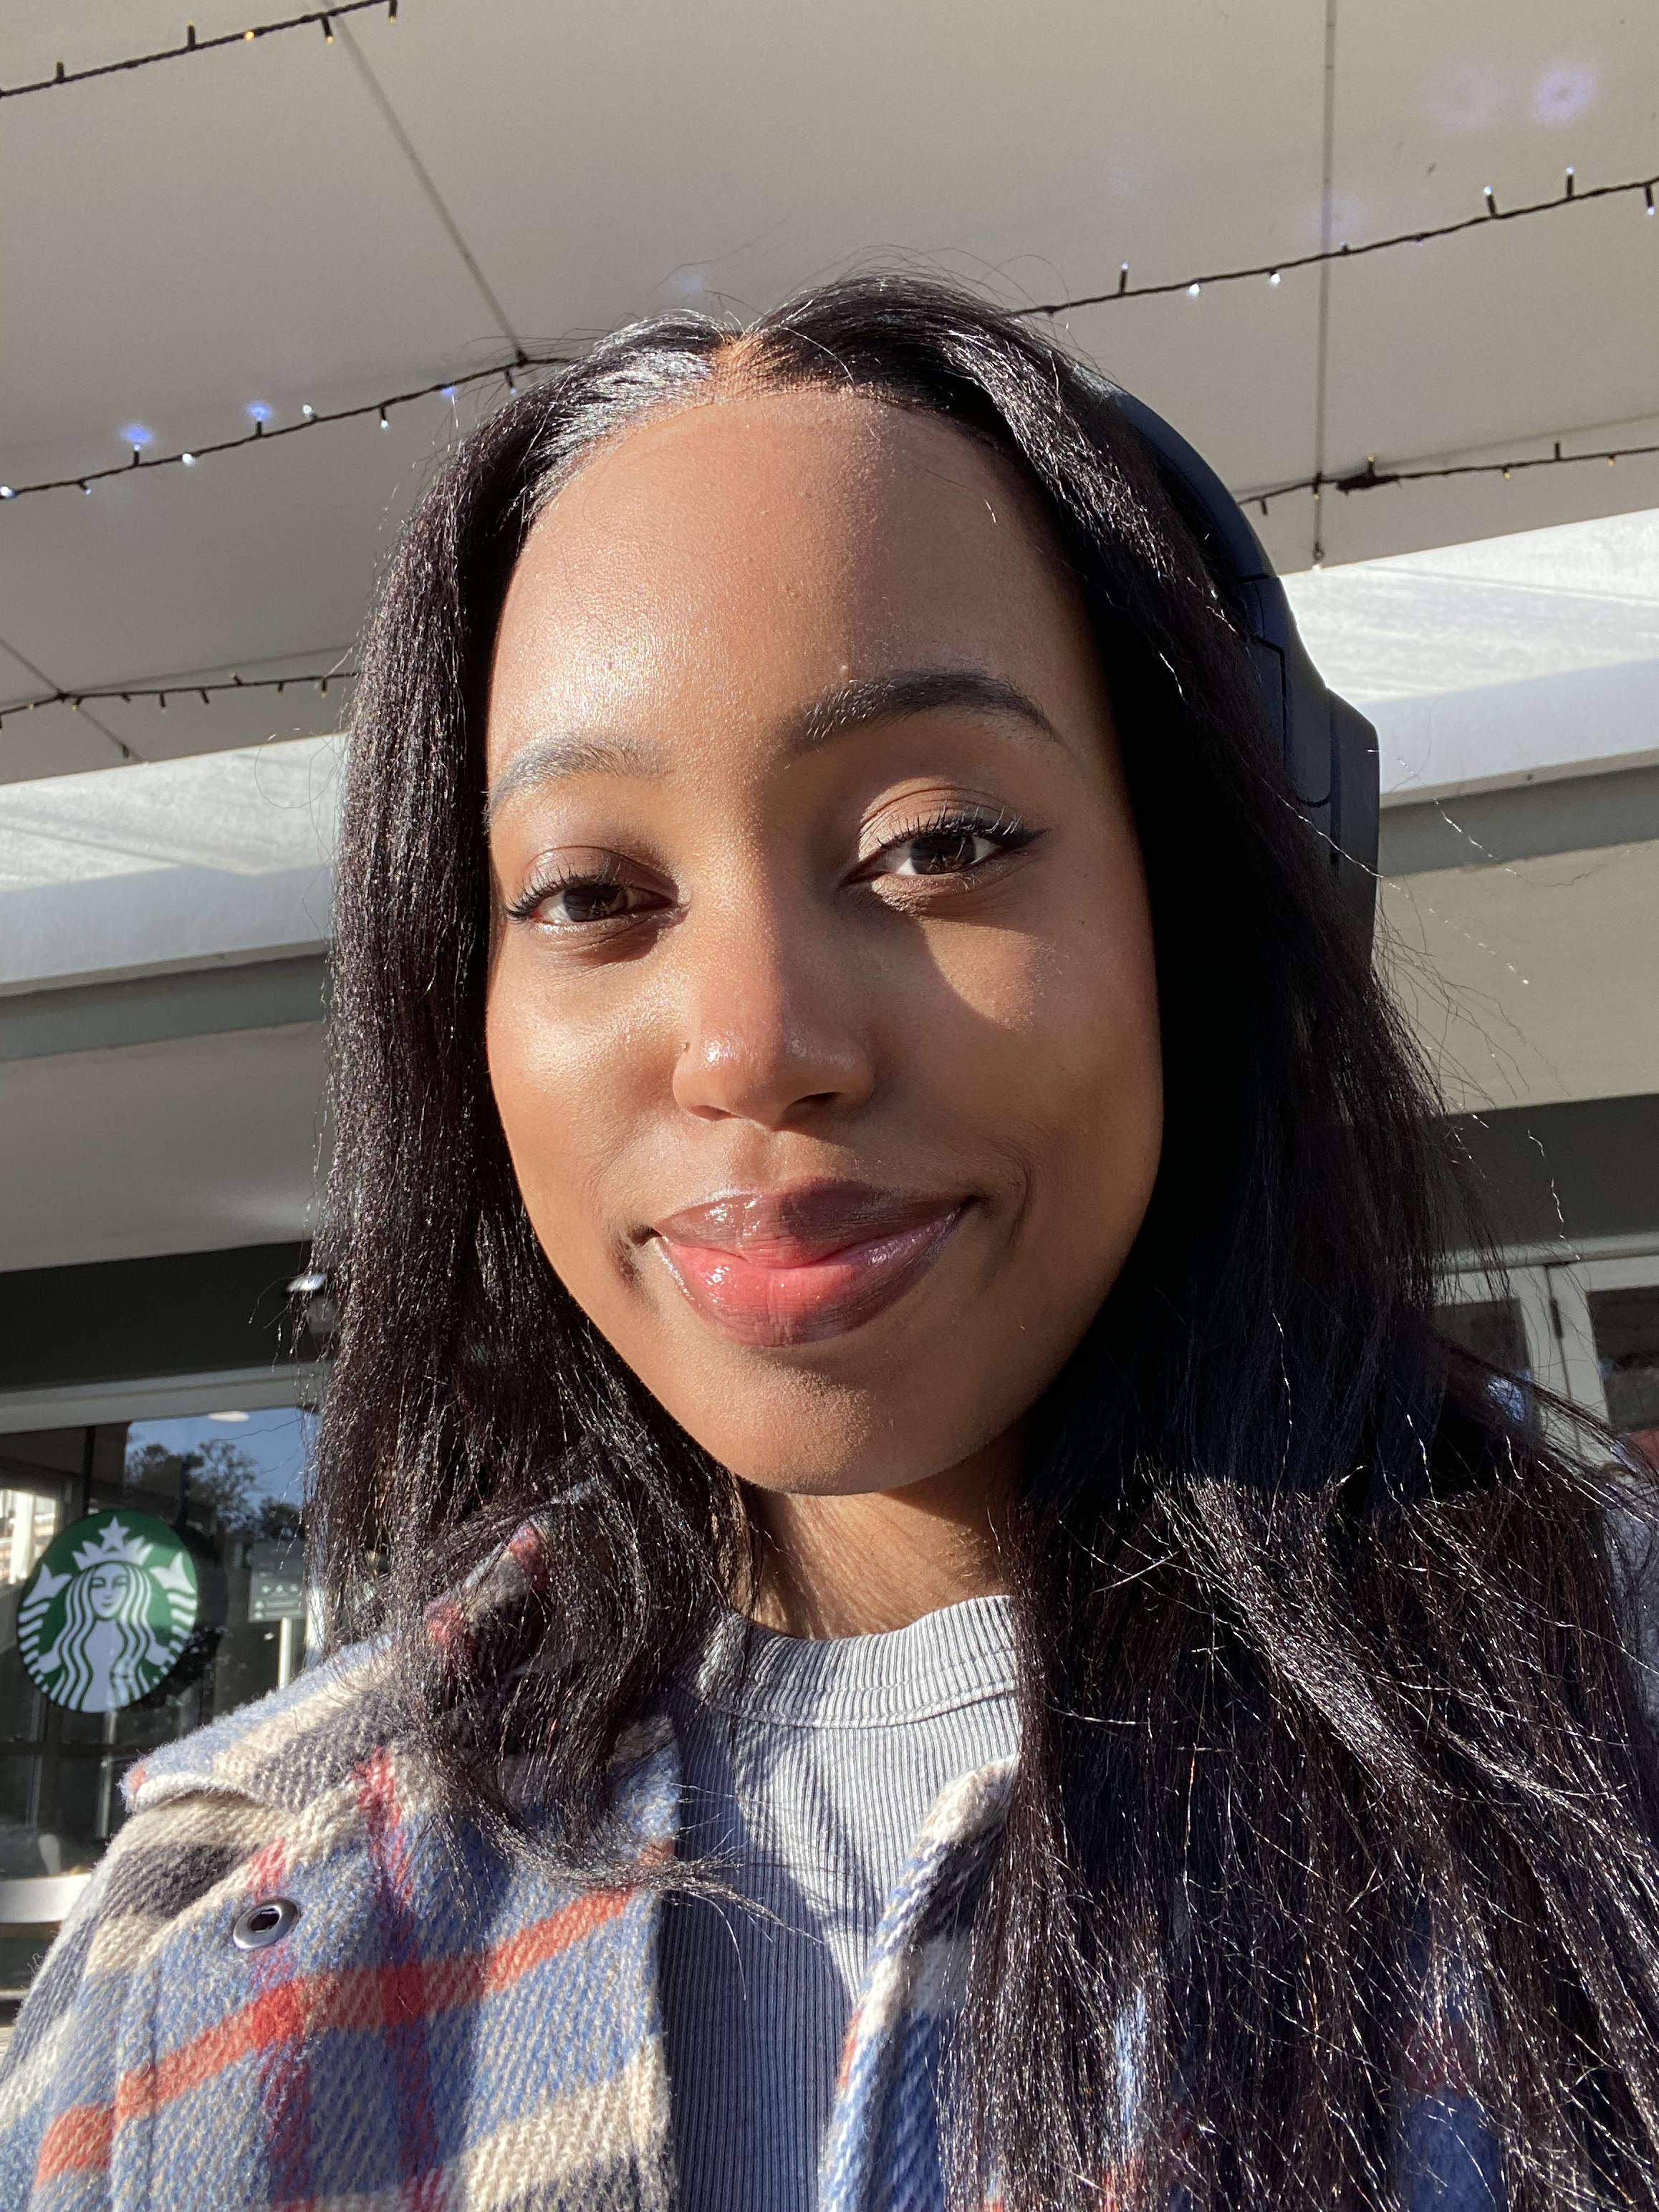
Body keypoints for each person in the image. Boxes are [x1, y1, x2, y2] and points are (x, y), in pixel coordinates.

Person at [3, 276, 1657, 2212]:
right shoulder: (219, 1917)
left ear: (1215, 895)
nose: (750, 1044)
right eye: (593, 891)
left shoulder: (1606, 1723)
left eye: (938, 840)